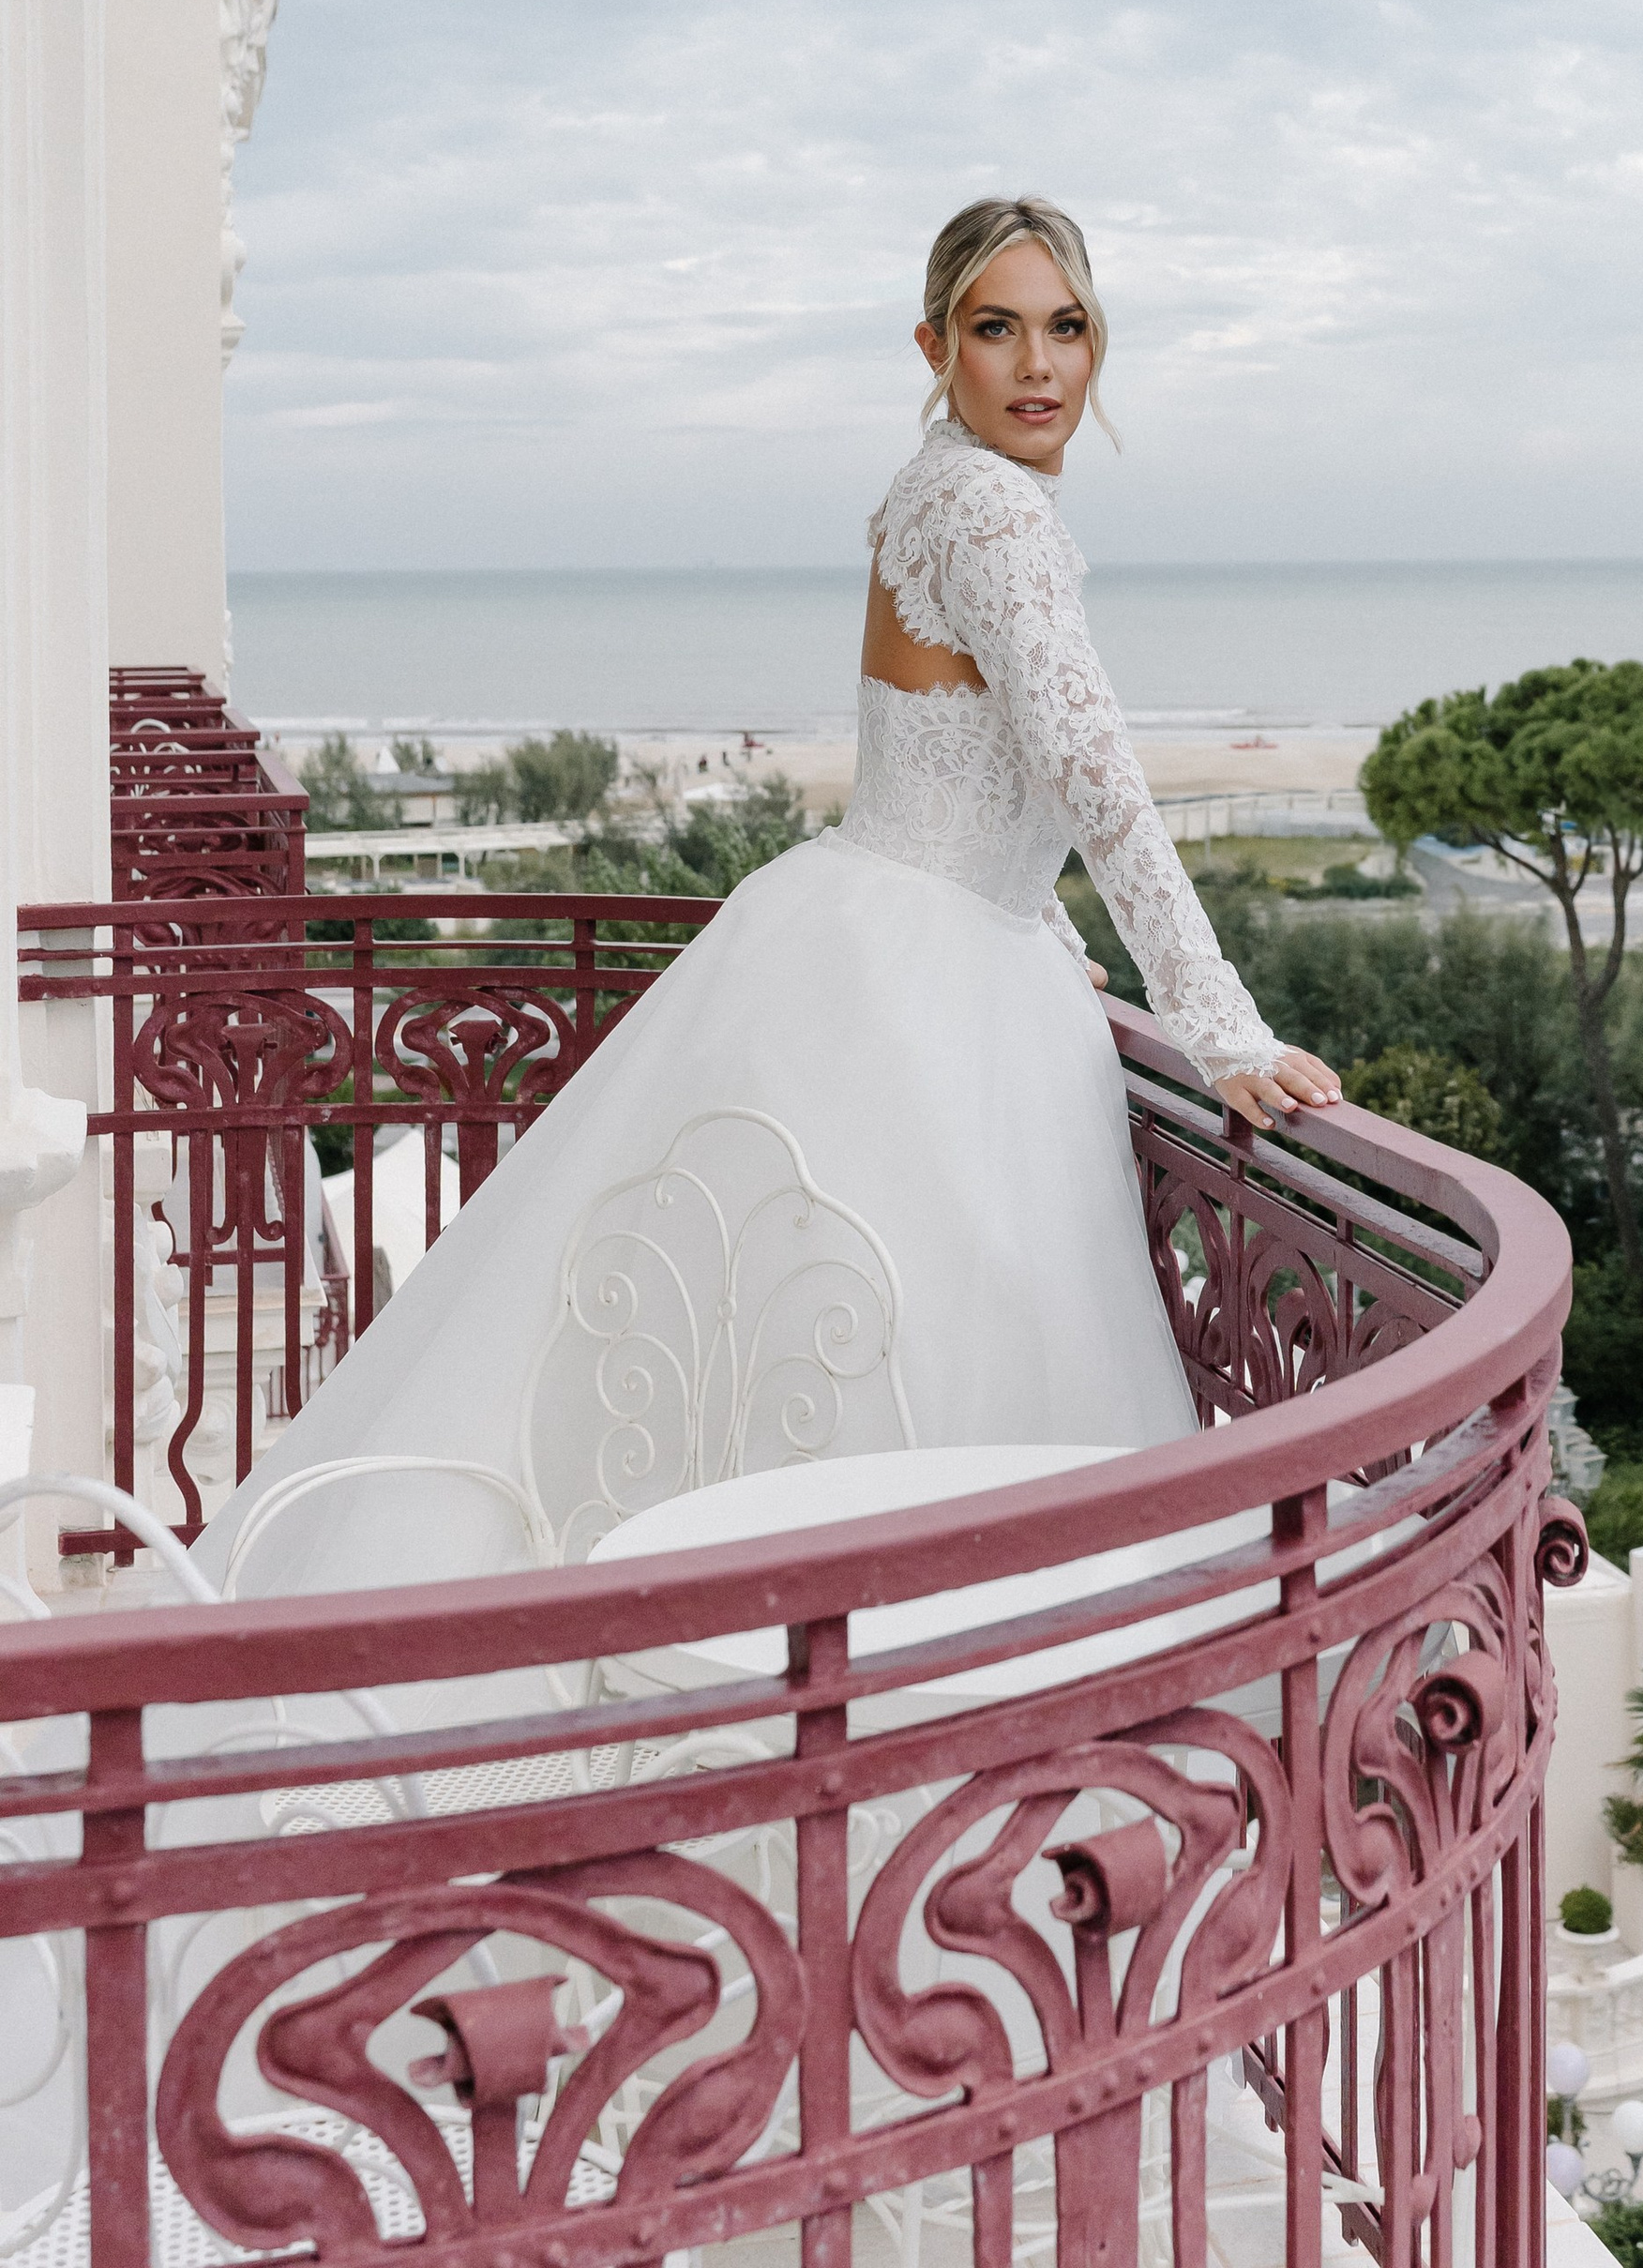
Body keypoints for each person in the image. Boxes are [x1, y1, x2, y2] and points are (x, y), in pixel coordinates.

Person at [199, 195, 1338, 1595]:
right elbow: (1091, 774)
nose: (1039, 365)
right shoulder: (993, 509)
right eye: (997, 329)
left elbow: (952, 751)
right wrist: (1216, 1025)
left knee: (756, 1326)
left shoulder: (933, 486)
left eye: (1067, 328)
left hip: (869, 933)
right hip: (928, 992)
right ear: (935, 345)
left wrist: (1029, 906)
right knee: (902, 1350)